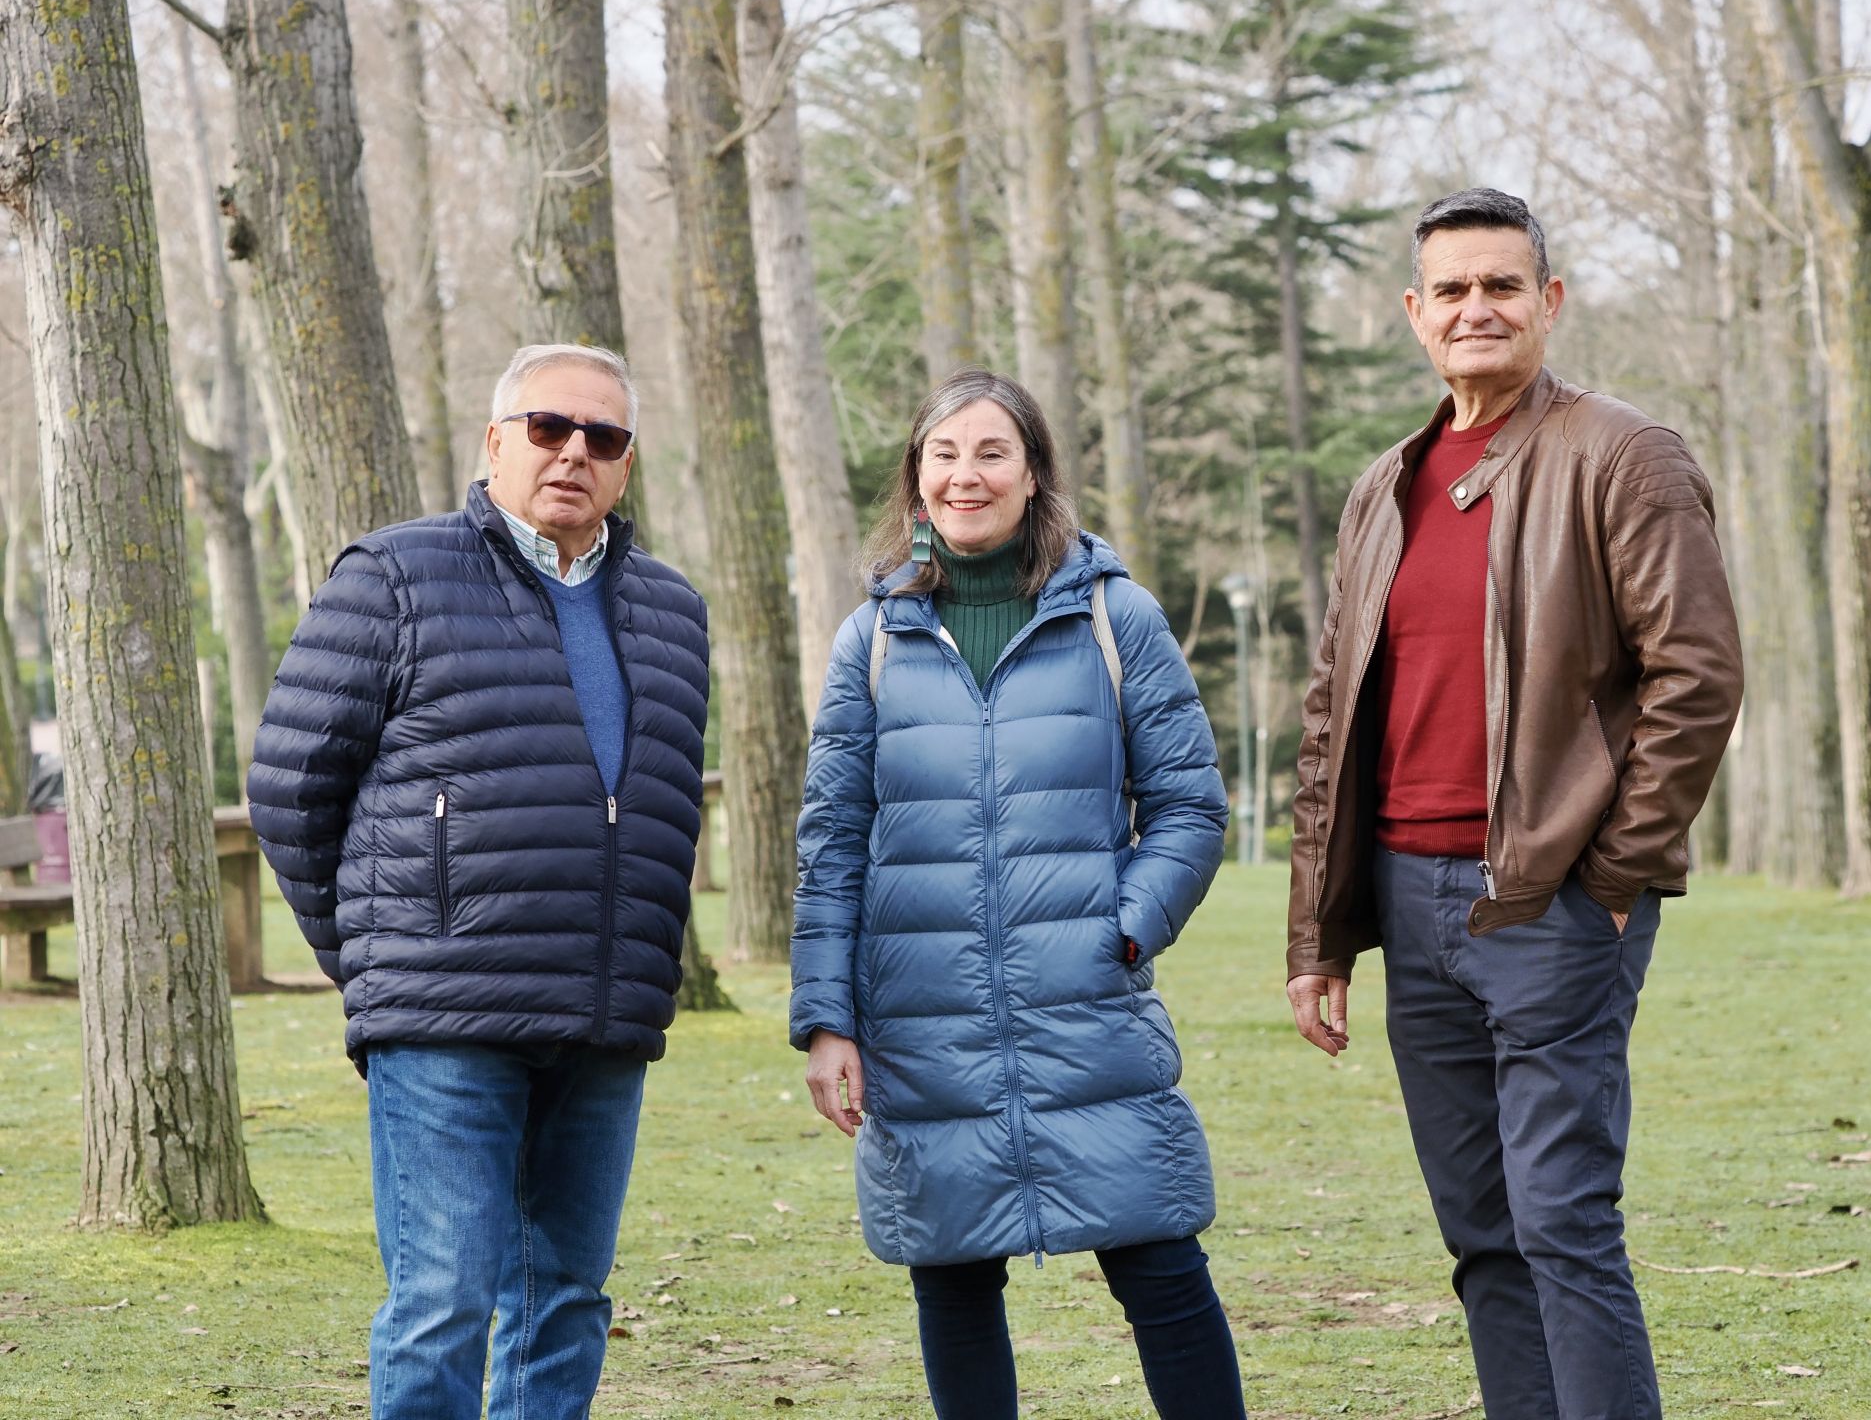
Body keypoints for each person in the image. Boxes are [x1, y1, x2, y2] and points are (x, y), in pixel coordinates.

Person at [1284, 189, 1743, 1420]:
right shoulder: (1384, 486)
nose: (1475, 308)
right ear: (1414, 313)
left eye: (1502, 286)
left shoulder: (1621, 454)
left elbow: (1695, 678)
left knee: (1561, 1222)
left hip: (1546, 902)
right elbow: (1333, 712)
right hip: (1406, 898)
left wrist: (1609, 878)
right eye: (1452, 289)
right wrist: (1320, 936)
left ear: (1548, 302)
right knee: (1482, 1233)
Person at [247, 343, 709, 1420]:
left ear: (627, 465)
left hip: (603, 1023)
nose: (574, 454)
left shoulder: (674, 612)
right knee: (444, 1302)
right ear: (496, 443)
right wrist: (383, 960)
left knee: (567, 1303)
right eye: (549, 429)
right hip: (445, 1022)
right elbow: (287, 787)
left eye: (603, 437)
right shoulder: (396, 577)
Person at [789, 369, 1246, 1420]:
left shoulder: (1113, 619)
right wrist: (826, 1019)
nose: (967, 475)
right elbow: (833, 843)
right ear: (915, 480)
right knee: (951, 1278)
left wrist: (1127, 931)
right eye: (944, 455)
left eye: (993, 452)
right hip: (920, 1019)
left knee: (1162, 1267)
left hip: (1086, 1003)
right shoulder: (871, 643)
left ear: (1034, 472)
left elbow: (1188, 807)